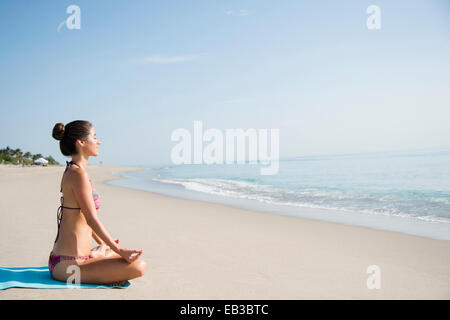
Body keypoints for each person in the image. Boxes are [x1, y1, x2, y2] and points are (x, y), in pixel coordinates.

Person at [50, 120, 146, 285]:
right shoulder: (78, 175)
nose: (98, 141)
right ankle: (103, 270)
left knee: (114, 253)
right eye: (94, 137)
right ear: (81, 142)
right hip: (70, 265)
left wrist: (103, 244)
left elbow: (82, 217)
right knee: (139, 267)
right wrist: (120, 250)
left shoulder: (74, 170)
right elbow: (91, 219)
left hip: (70, 259)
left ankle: (101, 256)